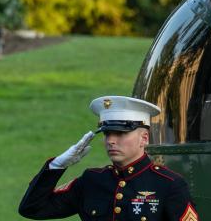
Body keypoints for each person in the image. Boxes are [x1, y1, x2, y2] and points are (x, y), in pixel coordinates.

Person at [19, 95, 199, 221]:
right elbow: (32, 208)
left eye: (120, 134)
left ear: (144, 138)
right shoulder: (92, 180)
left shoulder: (168, 184)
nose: (111, 141)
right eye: (107, 134)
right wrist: (57, 165)